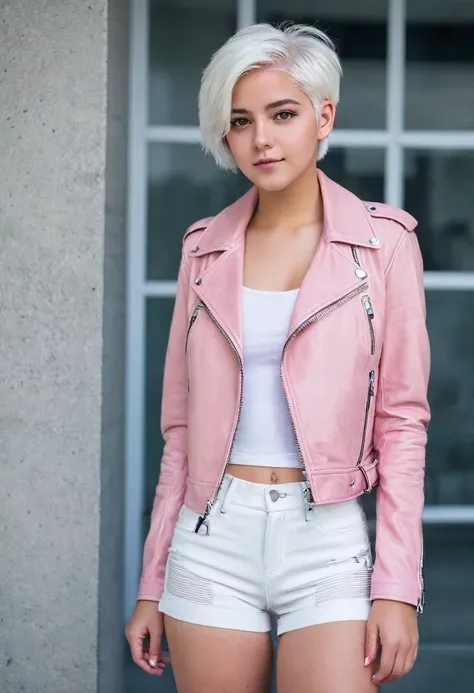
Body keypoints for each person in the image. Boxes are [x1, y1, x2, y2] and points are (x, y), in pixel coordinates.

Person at [125, 22, 430, 693]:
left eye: (283, 114)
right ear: (225, 136)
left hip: (327, 538)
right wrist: (152, 582)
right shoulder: (201, 249)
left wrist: (397, 585)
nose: (262, 138)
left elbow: (402, 425)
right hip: (211, 536)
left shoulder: (384, 245)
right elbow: (178, 430)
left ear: (323, 117)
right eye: (241, 121)